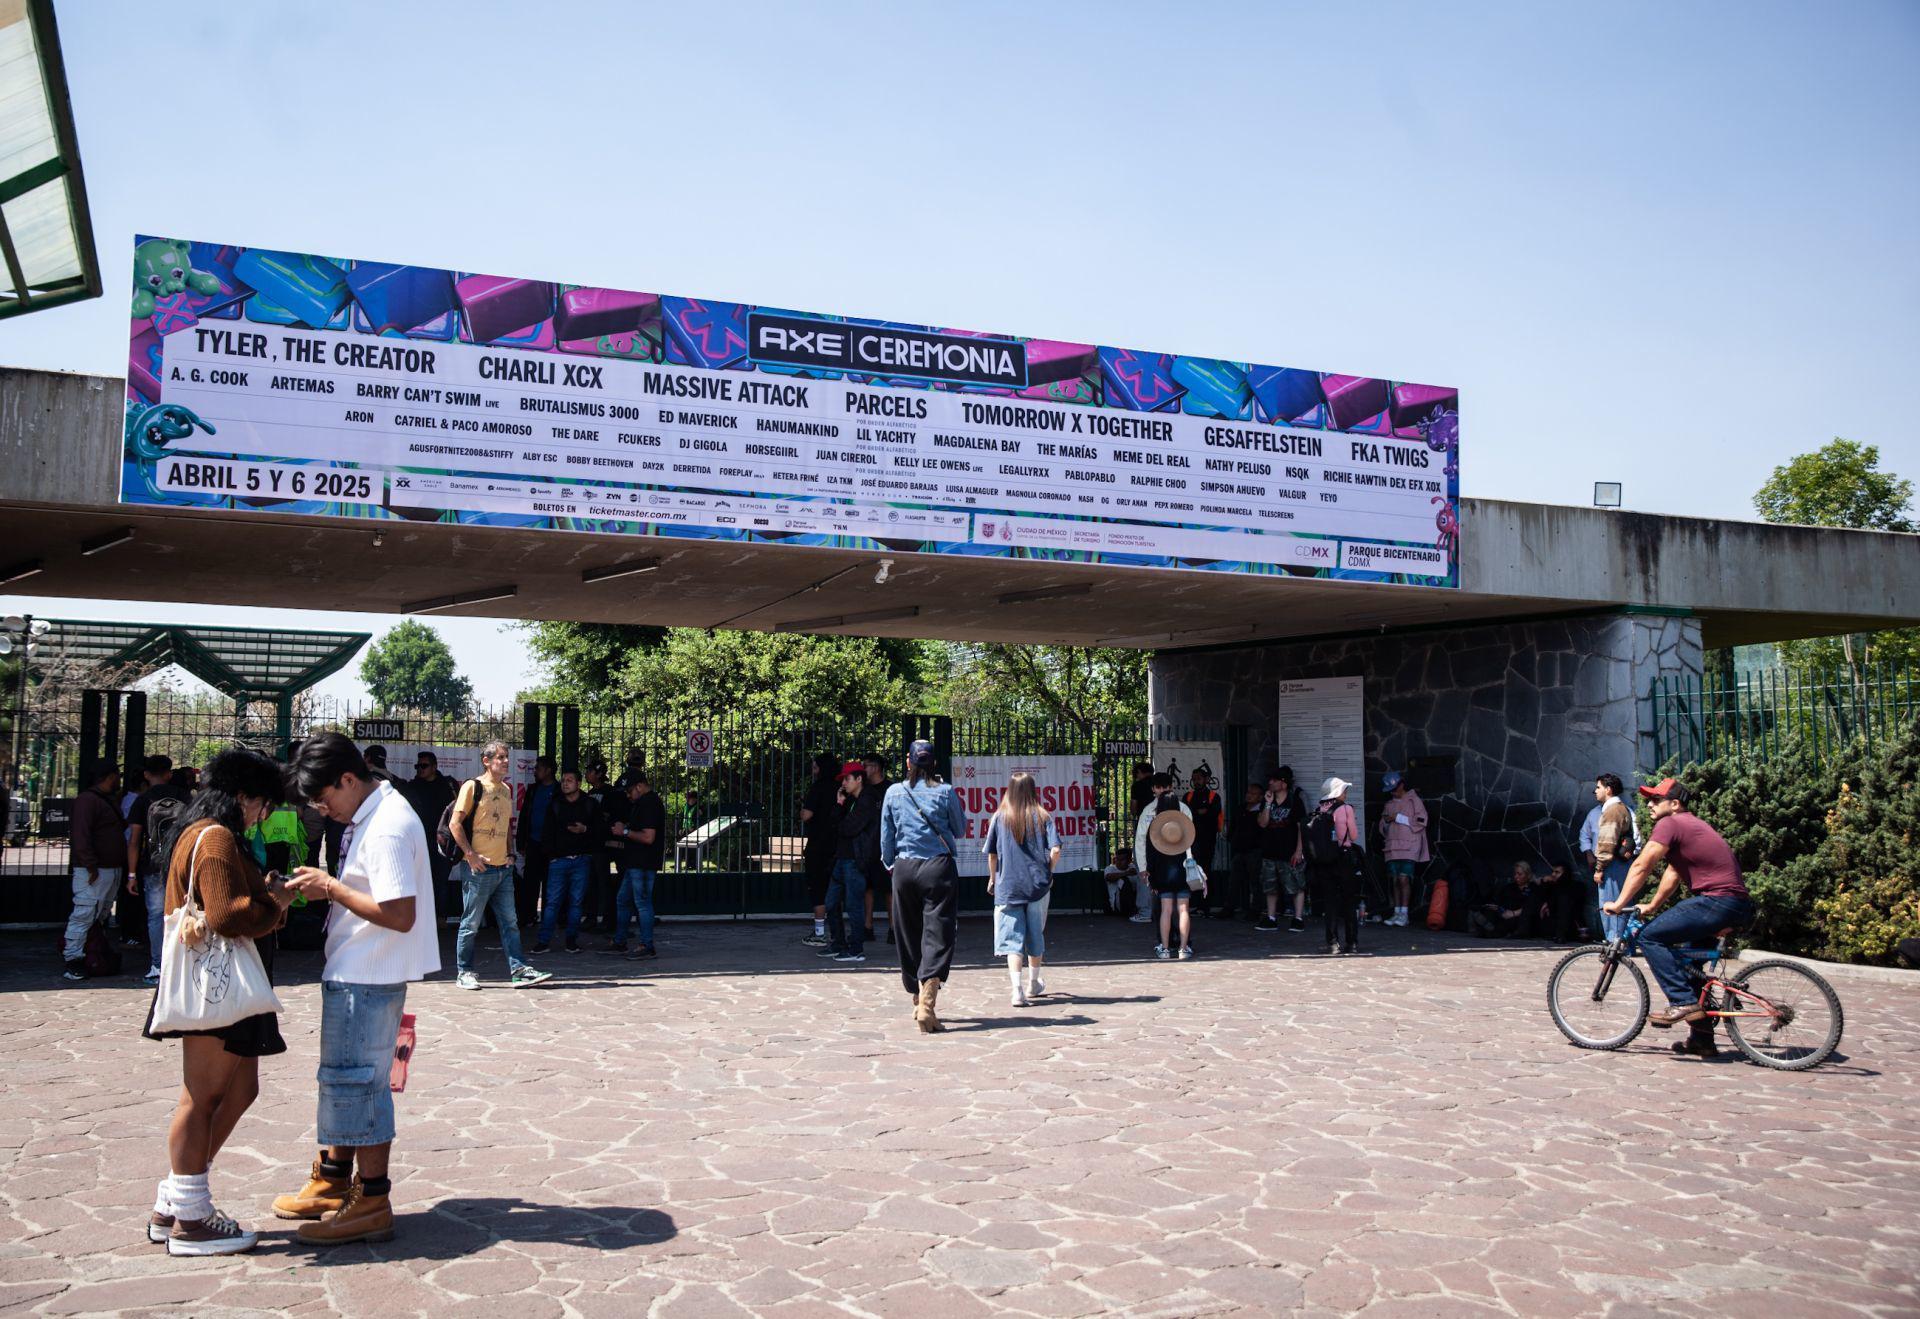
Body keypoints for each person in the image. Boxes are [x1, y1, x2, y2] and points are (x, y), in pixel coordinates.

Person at [278, 733, 440, 1245]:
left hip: (367, 974)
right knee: (346, 1082)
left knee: (360, 1085)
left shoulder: (387, 825)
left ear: (349, 779)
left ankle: (371, 1199)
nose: (323, 810)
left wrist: (330, 887)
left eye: (324, 798)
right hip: (359, 969)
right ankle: (334, 1179)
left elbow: (399, 913)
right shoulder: (375, 814)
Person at [141, 748, 297, 1256]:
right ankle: (190, 1219)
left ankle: (175, 1198)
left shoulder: (207, 833)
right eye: (263, 805)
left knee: (241, 1089)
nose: (263, 816)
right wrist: (275, 902)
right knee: (201, 1096)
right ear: (243, 796)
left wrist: (266, 893)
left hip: (231, 986)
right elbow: (228, 915)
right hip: (218, 983)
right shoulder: (215, 837)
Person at [1604, 779, 1755, 1059]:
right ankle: (1702, 1041)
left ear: (1674, 804)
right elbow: (1672, 874)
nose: (1650, 805)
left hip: (1717, 901)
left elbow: (1642, 864)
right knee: (1690, 967)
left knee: (1649, 937)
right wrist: (1652, 905)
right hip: (1734, 904)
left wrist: (1620, 902)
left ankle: (1681, 1001)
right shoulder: (1689, 825)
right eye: (1649, 800)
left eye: (1656, 800)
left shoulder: (1671, 823)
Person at [880, 740, 967, 1032]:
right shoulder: (946, 792)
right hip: (937, 867)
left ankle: (918, 999)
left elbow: (886, 836)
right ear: (934, 764)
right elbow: (959, 829)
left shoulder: (894, 792)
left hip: (904, 868)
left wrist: (890, 863)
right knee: (938, 932)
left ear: (908, 762)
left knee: (908, 933)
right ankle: (928, 1001)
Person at [449, 741, 549, 991]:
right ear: (486, 761)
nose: (505, 762)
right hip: (478, 869)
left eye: (506, 757)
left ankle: (519, 970)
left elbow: (505, 826)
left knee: (510, 923)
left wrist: (510, 854)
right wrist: (470, 854)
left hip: (503, 868)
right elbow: (454, 824)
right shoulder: (473, 787)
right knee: (471, 923)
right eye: (500, 757)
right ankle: (465, 971)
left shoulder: (505, 789)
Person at [985, 771, 1061, 1005]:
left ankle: (1016, 989)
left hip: (1008, 886)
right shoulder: (1043, 816)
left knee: (1012, 940)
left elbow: (992, 855)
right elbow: (1056, 849)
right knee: (1035, 934)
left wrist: (992, 878)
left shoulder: (999, 817)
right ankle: (1033, 983)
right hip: (1037, 886)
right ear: (1032, 790)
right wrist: (1048, 870)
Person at [127, 754, 188, 983]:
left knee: (155, 916)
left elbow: (134, 840)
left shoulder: (142, 801)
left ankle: (157, 964)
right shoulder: (184, 796)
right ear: (169, 774)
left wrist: (131, 874)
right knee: (181, 912)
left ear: (146, 775)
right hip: (180, 864)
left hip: (153, 865)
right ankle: (181, 962)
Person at [65, 759, 126, 980]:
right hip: (95, 870)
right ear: (110, 776)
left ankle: (92, 954)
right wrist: (90, 865)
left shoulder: (104, 799)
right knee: (84, 915)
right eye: (117, 775)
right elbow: (80, 836)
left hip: (107, 869)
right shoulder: (87, 801)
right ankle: (73, 958)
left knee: (98, 916)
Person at [534, 768, 601, 954]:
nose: (565, 783)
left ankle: (571, 940)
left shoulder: (590, 804)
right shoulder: (555, 805)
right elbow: (547, 833)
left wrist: (585, 830)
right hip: (558, 861)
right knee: (552, 902)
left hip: (581, 860)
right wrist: (552, 856)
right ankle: (543, 941)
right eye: (563, 780)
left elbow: (600, 830)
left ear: (579, 783)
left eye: (570, 780)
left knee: (576, 902)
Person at [1135, 772, 1197, 959]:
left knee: (1164, 910)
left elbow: (1146, 845)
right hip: (1182, 868)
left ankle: (1164, 946)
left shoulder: (1154, 814)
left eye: (1165, 787)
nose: (1162, 790)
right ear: (1153, 788)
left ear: (1171, 787)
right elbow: (1191, 840)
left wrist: (1148, 870)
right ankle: (1183, 947)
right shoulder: (1175, 810)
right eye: (1159, 787)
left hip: (1161, 871)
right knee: (1182, 909)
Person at [822, 761, 877, 964]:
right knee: (831, 903)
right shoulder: (850, 800)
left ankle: (856, 948)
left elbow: (848, 828)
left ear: (859, 779)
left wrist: (841, 821)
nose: (843, 783)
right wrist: (839, 804)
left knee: (854, 905)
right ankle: (838, 943)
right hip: (842, 858)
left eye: (847, 779)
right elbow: (835, 825)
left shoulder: (867, 800)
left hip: (855, 859)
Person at [611, 768, 666, 959]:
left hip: (643, 862)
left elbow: (648, 837)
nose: (628, 795)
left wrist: (625, 832)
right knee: (623, 900)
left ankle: (646, 945)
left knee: (642, 902)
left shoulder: (649, 804)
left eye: (629, 791)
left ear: (640, 786)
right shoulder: (642, 803)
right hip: (635, 861)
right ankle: (620, 941)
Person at [1305, 777, 1362, 955]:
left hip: (1324, 860)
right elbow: (1354, 835)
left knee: (1330, 902)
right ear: (1337, 793)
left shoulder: (1319, 810)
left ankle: (1332, 943)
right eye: (1344, 790)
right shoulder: (1345, 809)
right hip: (1343, 858)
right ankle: (1352, 943)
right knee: (1349, 901)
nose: (1346, 793)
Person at [400, 751, 456, 925]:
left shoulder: (447, 786)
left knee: (440, 881)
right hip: (419, 841)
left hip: (441, 842)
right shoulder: (412, 787)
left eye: (424, 766)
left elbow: (457, 814)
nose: (420, 769)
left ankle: (440, 919)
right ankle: (419, 919)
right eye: (417, 766)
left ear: (434, 767)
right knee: (418, 879)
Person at [1258, 767, 1309, 933]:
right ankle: (1271, 918)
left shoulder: (1295, 801)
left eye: (1274, 780)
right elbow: (1262, 823)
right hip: (1270, 850)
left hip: (1289, 851)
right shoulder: (1267, 800)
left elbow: (1301, 827)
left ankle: (1298, 918)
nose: (1270, 782)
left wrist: (1299, 850)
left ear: (1284, 783)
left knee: (1296, 885)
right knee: (1270, 886)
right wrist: (1267, 804)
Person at [1587, 773, 1638, 942]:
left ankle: (1614, 943)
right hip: (1621, 863)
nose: (1595, 791)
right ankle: (1622, 942)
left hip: (1613, 865)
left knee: (1611, 906)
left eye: (1598, 787)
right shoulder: (1621, 808)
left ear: (1608, 789)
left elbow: (1607, 842)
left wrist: (1599, 868)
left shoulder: (1613, 810)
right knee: (1622, 904)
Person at [1377, 772, 1428, 928]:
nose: (1393, 792)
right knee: (1395, 880)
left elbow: (1421, 821)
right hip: (1392, 847)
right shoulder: (1389, 804)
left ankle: (1404, 914)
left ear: (1401, 785)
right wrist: (1386, 822)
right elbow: (1382, 826)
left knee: (1404, 879)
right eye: (1390, 790)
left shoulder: (1414, 801)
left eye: (1394, 789)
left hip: (1409, 846)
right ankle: (1397, 912)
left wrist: (1397, 818)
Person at [800, 752, 839, 947]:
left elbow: (807, 815)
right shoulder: (841, 787)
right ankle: (837, 933)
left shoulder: (817, 788)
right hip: (837, 844)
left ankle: (819, 932)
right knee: (835, 888)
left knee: (818, 888)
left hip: (818, 845)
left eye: (815, 767)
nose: (813, 771)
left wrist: (802, 809)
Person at [515, 755, 558, 930]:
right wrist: (521, 842)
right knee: (530, 882)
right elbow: (524, 815)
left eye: (538, 768)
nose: (535, 772)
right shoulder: (533, 789)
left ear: (548, 770)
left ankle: (549, 918)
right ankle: (528, 916)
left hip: (551, 844)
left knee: (551, 882)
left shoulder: (558, 790)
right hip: (533, 842)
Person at [583, 761, 621, 933]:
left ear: (599, 774)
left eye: (590, 771)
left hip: (603, 845)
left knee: (603, 882)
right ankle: (591, 916)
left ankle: (607, 918)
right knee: (591, 881)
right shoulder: (591, 793)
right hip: (591, 844)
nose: (587, 774)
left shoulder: (609, 793)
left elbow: (609, 817)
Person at [1184, 767, 1226, 917]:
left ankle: (1205, 905)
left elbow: (1212, 814)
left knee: (1205, 870)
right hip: (1191, 839)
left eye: (1199, 778)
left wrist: (1199, 813)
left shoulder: (1214, 796)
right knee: (1192, 870)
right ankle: (1194, 903)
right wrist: (1200, 812)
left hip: (1207, 840)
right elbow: (1186, 814)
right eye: (1194, 779)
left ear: (1207, 779)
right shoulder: (1188, 796)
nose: (1196, 781)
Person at [1226, 782, 1265, 926]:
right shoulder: (1241, 808)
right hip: (1239, 849)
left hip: (1254, 850)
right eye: (1248, 792)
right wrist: (1231, 838)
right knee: (1234, 880)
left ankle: (1255, 910)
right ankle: (1230, 907)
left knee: (1255, 881)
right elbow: (1233, 826)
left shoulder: (1262, 810)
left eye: (1253, 794)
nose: (1249, 795)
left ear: (1260, 797)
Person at [1472, 862, 1544, 938]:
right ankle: (1488, 928)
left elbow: (1532, 906)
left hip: (1520, 917)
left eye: (1519, 874)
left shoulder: (1533, 888)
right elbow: (1500, 901)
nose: (1516, 876)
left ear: (1527, 875)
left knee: (1510, 922)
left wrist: (1512, 913)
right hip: (1505, 913)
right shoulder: (1509, 887)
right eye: (1515, 874)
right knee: (1491, 914)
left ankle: (1491, 930)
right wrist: (1497, 908)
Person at [862, 754, 890, 942]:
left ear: (877, 767)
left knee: (890, 889)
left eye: (866, 765)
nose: (864, 769)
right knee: (867, 887)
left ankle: (894, 929)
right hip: (867, 845)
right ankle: (867, 926)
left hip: (886, 845)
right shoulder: (862, 788)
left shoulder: (891, 789)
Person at [1102, 848, 1138, 916]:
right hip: (1117, 905)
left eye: (1122, 860)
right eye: (1117, 859)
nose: (1118, 862)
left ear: (1129, 861)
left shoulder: (1133, 867)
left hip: (1134, 899)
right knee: (1123, 880)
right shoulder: (1110, 868)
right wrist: (1126, 873)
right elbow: (1108, 877)